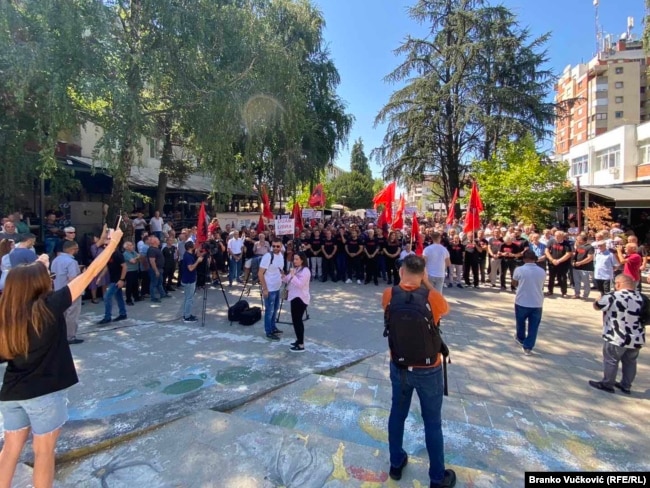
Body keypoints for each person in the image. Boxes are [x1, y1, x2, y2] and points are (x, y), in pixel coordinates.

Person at [0, 225, 123, 488]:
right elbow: (89, 273)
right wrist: (112, 244)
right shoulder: (49, 307)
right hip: (45, 393)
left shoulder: (6, 316)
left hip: (12, 393)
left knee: (9, 451)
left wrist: (39, 262)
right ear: (38, 285)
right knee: (43, 453)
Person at [381, 255, 455, 488]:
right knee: (432, 422)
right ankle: (437, 477)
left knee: (397, 414)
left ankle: (395, 463)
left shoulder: (388, 295)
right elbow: (445, 310)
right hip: (429, 369)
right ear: (423, 273)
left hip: (399, 366)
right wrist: (428, 284)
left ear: (401, 270)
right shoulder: (432, 298)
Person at [589, 274, 645, 394]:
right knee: (630, 362)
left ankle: (607, 383)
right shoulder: (642, 298)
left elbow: (597, 307)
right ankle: (626, 385)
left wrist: (597, 300)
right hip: (636, 337)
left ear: (618, 284)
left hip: (616, 335)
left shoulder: (613, 296)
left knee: (611, 360)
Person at [512, 250, 547, 356]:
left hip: (522, 300)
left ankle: (521, 338)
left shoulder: (519, 270)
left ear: (524, 259)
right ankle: (528, 347)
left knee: (520, 322)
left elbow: (514, 283)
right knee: (534, 326)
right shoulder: (542, 271)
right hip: (537, 302)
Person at [50, 240, 83, 345]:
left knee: (62, 314)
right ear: (72, 249)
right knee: (72, 314)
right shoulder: (72, 262)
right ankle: (70, 336)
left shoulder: (55, 260)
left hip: (58, 290)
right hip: (71, 291)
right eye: (76, 248)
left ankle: (61, 335)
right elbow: (72, 278)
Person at [283, 251, 311, 352]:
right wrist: (284, 276)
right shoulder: (296, 269)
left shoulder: (306, 271)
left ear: (302, 260)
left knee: (298, 321)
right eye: (294, 259)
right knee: (295, 321)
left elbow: (300, 284)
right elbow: (287, 280)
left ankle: (301, 344)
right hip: (293, 297)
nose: (294, 261)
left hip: (301, 298)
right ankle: (298, 340)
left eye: (296, 259)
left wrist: (293, 275)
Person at [258, 238, 285, 341]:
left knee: (275, 310)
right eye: (273, 246)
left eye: (278, 246)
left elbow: (280, 270)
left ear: (281, 246)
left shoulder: (281, 255)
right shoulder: (268, 256)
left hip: (277, 287)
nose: (275, 248)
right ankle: (268, 331)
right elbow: (260, 273)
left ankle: (273, 328)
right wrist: (265, 289)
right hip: (269, 288)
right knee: (269, 311)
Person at [97, 240, 128, 325]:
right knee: (119, 297)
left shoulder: (117, 254)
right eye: (104, 245)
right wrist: (100, 277)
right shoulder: (109, 255)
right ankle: (123, 313)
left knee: (107, 297)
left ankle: (107, 317)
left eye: (106, 245)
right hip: (113, 279)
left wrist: (121, 280)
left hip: (117, 280)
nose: (104, 246)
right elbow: (107, 267)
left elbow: (125, 267)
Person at [180, 241, 204, 323]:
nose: (194, 246)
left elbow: (196, 253)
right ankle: (187, 316)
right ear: (190, 247)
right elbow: (190, 268)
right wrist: (198, 261)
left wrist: (200, 249)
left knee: (188, 298)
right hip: (189, 280)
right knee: (189, 298)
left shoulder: (189, 254)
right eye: (193, 245)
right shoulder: (188, 257)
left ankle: (187, 313)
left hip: (190, 279)